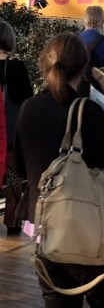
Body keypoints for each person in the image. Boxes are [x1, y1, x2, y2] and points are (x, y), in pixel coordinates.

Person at [15, 32, 104, 308]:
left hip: (47, 235)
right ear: (84, 67)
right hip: (89, 233)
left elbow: (23, 169)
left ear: (45, 64)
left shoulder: (28, 108)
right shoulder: (87, 112)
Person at [0, 20, 33, 234]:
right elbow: (28, 102)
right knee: (13, 178)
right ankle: (12, 223)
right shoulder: (18, 68)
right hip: (12, 136)